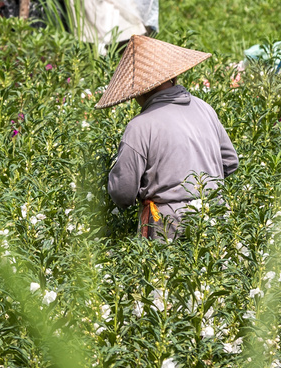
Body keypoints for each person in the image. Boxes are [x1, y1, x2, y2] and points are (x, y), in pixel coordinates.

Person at [98, 34, 239, 240]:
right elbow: (230, 162)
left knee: (168, 271)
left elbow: (123, 191)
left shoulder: (140, 126)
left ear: (137, 92)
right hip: (215, 214)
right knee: (215, 270)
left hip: (168, 224)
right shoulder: (204, 108)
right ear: (173, 77)